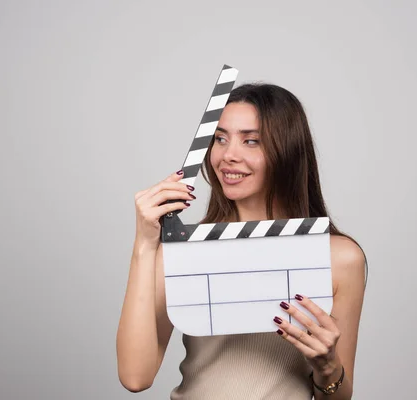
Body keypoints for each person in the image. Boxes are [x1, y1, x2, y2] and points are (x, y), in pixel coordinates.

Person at [116, 83, 367, 399]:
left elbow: (338, 398)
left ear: (286, 150)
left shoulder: (339, 258)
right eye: (220, 139)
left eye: (252, 141)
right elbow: (135, 376)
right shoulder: (183, 254)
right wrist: (144, 245)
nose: (228, 155)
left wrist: (328, 366)